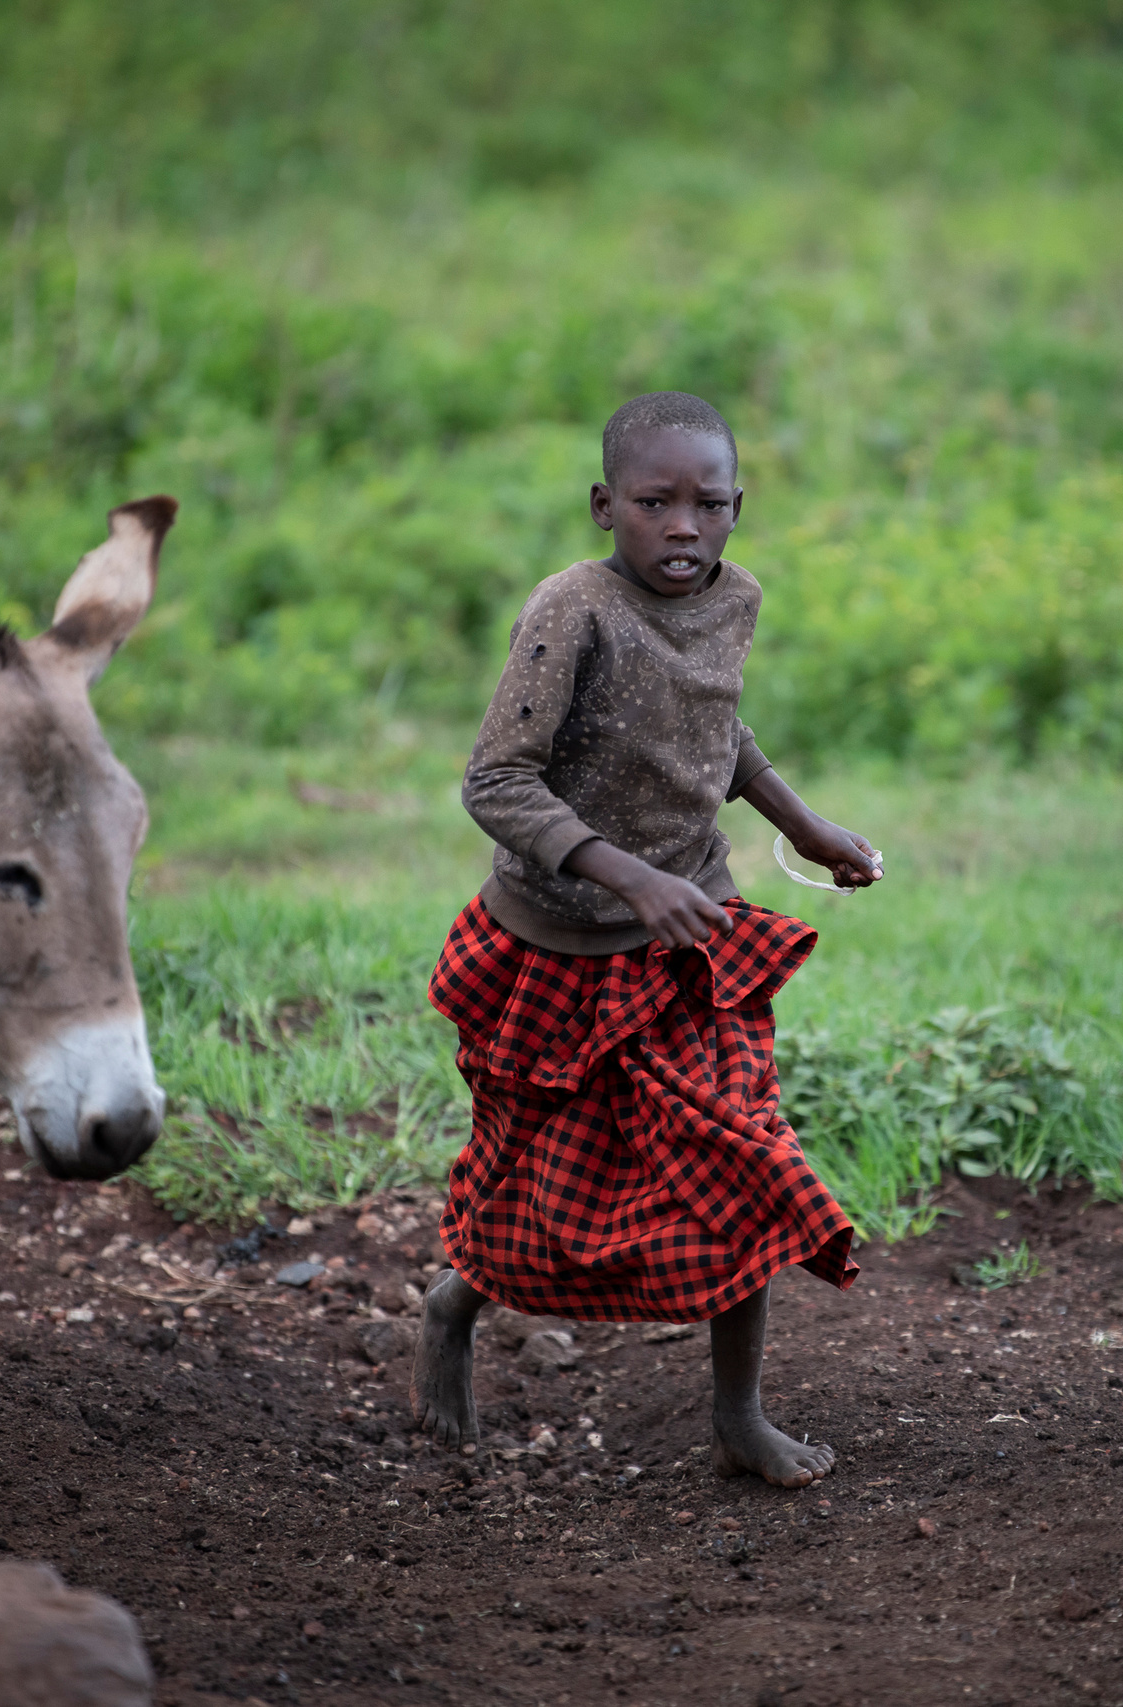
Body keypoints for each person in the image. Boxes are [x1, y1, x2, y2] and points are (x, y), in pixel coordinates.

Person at [412, 391, 881, 1488]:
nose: (682, 526)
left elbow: (715, 729)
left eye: (706, 505)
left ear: (735, 511)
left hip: (688, 947)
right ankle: (452, 1307)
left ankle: (737, 1413)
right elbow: (495, 780)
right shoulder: (571, 611)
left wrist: (804, 826)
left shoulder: (734, 601)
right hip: (553, 954)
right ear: (602, 506)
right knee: (534, 1174)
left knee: (744, 1163)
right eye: (653, 503)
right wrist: (629, 877)